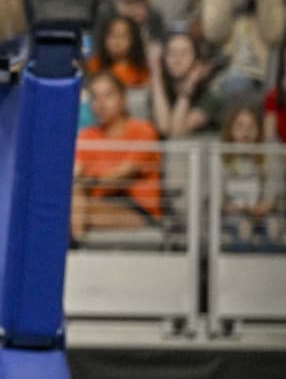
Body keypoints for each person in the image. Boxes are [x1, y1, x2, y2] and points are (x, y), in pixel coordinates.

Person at [71, 72, 163, 241]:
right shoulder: (86, 136)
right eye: (95, 97)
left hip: (136, 208)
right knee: (71, 205)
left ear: (123, 99)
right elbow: (75, 172)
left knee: (68, 213)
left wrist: (88, 182)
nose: (101, 104)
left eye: (108, 96)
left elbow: (123, 174)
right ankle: (77, 248)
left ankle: (74, 254)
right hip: (92, 202)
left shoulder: (144, 130)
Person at [201, 0, 286, 100]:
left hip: (260, 72)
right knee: (233, 84)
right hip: (226, 70)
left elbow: (274, 35)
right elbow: (214, 33)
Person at [218, 106, 282, 252]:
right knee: (244, 227)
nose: (245, 132)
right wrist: (236, 208)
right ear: (230, 130)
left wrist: (260, 208)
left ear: (259, 131)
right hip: (233, 214)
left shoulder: (268, 157)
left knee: (274, 226)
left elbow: (271, 197)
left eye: (251, 127)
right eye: (240, 126)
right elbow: (218, 201)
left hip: (261, 213)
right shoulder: (221, 158)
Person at [147, 31, 218, 139]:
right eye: (171, 53)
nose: (177, 59)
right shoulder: (160, 89)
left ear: (196, 59)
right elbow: (164, 127)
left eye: (184, 53)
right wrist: (156, 75)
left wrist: (190, 82)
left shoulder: (210, 92)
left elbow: (177, 131)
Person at [86, 14, 150, 89]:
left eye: (123, 36)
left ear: (134, 40)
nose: (117, 41)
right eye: (112, 35)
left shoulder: (143, 71)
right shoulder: (94, 65)